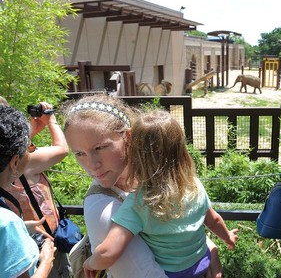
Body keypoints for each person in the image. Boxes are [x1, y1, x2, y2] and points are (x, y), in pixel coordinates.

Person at [63, 94, 224, 278]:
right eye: (79, 153)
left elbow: (180, 223)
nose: (92, 164)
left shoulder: (156, 177)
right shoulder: (101, 209)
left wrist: (210, 248)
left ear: (128, 137)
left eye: (100, 147)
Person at [0, 97, 71, 277]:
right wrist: (52, 121)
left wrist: (28, 134)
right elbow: (62, 149)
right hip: (41, 246)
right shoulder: (7, 223)